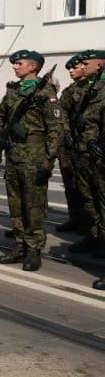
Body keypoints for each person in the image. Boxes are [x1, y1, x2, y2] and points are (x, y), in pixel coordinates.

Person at [0, 50, 63, 271]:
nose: (15, 66)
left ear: (33, 67)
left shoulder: (45, 93)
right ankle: (20, 245)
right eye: (14, 64)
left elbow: (56, 129)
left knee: (34, 206)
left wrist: (48, 161)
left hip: (34, 157)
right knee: (16, 204)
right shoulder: (12, 92)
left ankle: (34, 250)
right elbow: (1, 116)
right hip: (13, 156)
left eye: (19, 63)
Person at [67, 50, 105, 263]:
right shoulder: (88, 87)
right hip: (83, 150)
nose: (81, 66)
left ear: (99, 65)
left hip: (98, 151)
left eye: (85, 63)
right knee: (87, 197)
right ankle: (94, 235)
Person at [56, 55, 88, 234]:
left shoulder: (94, 88)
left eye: (74, 67)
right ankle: (74, 218)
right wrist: (66, 131)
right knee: (70, 182)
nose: (71, 71)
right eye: (69, 68)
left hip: (86, 143)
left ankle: (88, 223)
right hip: (69, 144)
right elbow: (61, 114)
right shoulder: (70, 90)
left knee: (86, 185)